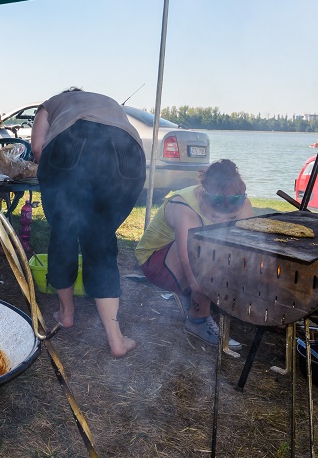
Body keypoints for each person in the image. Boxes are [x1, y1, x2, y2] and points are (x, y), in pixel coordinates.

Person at [31, 89, 145, 357]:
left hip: (72, 143)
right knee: (100, 236)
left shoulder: (51, 104)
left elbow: (37, 148)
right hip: (129, 154)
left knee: (64, 231)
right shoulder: (110, 102)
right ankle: (116, 339)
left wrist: (51, 175)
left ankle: (66, 314)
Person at [135, 159, 254, 347]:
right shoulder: (184, 210)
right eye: (214, 217)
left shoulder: (241, 203)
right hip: (157, 260)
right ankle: (198, 319)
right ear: (201, 196)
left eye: (229, 218)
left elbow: (245, 249)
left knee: (221, 251)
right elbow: (195, 278)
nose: (218, 221)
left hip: (200, 257)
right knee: (207, 250)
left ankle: (197, 300)